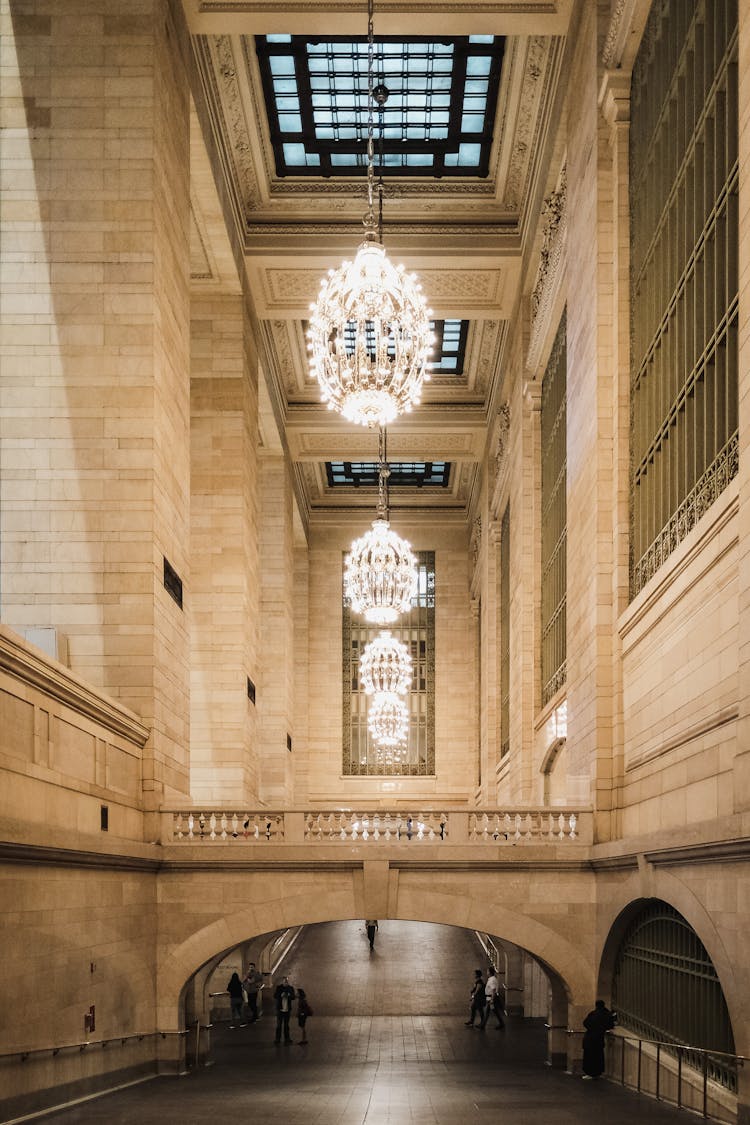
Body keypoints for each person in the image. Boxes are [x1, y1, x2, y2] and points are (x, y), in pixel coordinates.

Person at [581, 999, 616, 1078]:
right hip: (599, 1039)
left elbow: (585, 1023)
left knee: (589, 1057)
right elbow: (610, 1025)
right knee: (598, 1056)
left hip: (589, 1039)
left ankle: (590, 1073)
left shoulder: (593, 1014)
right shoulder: (606, 1014)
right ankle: (597, 1072)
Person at [480, 965, 505, 1029]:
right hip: (490, 998)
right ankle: (483, 1025)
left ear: (490, 972)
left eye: (487, 971)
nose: (487, 972)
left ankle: (483, 1025)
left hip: (491, 998)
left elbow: (493, 989)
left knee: (492, 1012)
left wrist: (492, 1000)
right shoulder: (492, 979)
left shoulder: (492, 980)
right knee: (490, 1012)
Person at [273, 974, 295, 1043]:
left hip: (287, 1010)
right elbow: (275, 996)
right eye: (284, 981)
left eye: (287, 981)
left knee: (286, 1025)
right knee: (279, 1025)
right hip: (280, 1009)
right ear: (282, 982)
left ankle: (287, 1038)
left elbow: (293, 997)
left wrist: (289, 995)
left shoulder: (290, 988)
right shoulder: (279, 988)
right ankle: (277, 1039)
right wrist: (280, 995)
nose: (286, 983)